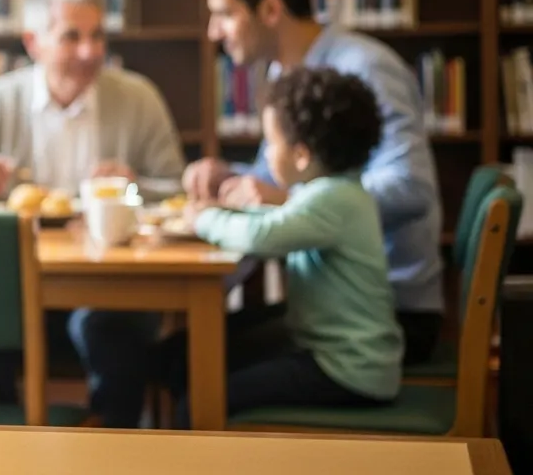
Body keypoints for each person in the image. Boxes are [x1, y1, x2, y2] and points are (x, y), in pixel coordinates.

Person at [0, 0, 186, 428]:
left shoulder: (138, 98)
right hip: (15, 281)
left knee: (109, 324)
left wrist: (132, 187)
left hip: (112, 282)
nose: (90, 51)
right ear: (34, 43)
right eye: (72, 36)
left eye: (98, 37)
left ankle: (115, 450)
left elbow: (176, 190)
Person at [185, 0, 445, 364]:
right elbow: (284, 179)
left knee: (198, 365)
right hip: (328, 305)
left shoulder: (363, 68)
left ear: (270, 10)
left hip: (383, 316)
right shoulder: (282, 72)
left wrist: (291, 202)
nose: (214, 32)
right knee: (187, 355)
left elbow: (411, 188)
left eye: (225, 14)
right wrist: (228, 175)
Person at [160, 66, 403, 427]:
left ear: (302, 155)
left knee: (200, 400)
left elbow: (264, 236)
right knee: (196, 361)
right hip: (342, 358)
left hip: (347, 370)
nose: (267, 154)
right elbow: (278, 222)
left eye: (271, 143)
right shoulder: (338, 191)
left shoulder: (332, 199)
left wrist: (204, 219)